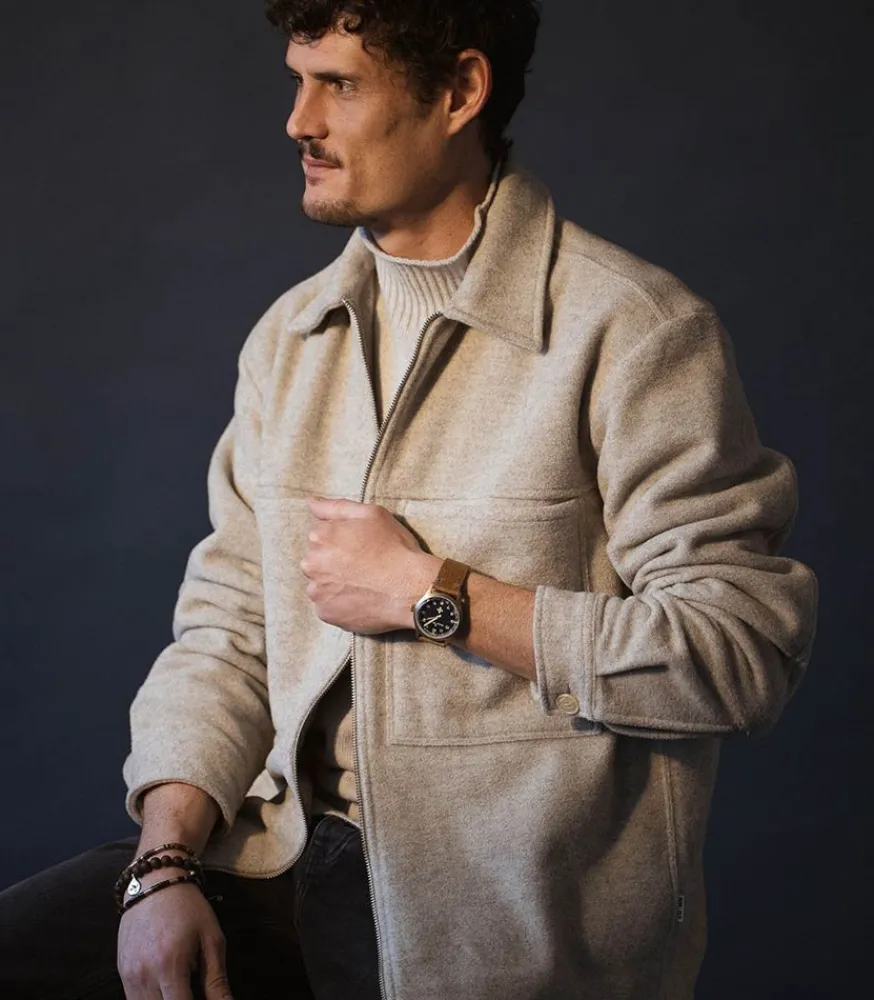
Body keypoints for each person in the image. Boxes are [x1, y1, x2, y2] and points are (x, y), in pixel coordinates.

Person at [0, 1, 819, 998]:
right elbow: (229, 629)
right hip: (272, 855)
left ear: (460, 92)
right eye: (298, 81)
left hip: (488, 918)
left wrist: (434, 594)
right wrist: (161, 864)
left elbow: (737, 655)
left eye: (339, 85)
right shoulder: (288, 341)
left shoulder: (635, 333)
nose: (299, 121)